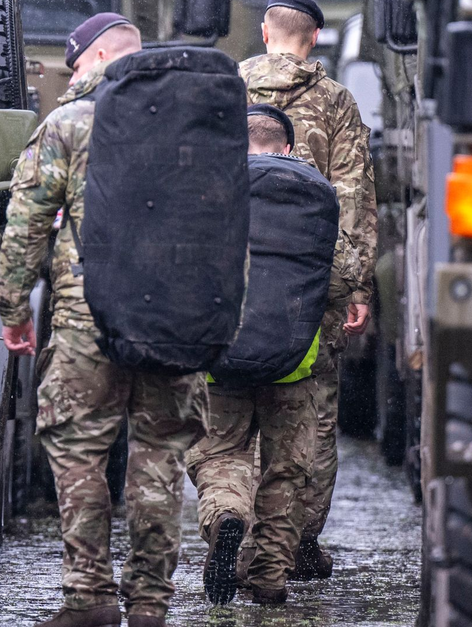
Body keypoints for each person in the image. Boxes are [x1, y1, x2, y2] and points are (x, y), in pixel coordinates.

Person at [0, 13, 203, 627]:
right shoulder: (190, 127)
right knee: (160, 454)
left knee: (80, 450)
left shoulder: (67, 123)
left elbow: (26, 225)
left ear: (91, 57)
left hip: (88, 318)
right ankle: (149, 605)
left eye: (74, 62)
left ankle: (88, 598)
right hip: (172, 316)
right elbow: (221, 229)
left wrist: (13, 310)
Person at [238, 0, 378, 580]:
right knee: (313, 416)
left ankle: (237, 527)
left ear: (266, 32)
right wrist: (353, 286)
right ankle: (294, 542)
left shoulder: (226, 89)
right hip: (309, 285)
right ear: (314, 37)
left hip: (233, 282)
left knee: (231, 407)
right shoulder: (337, 102)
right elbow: (354, 198)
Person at [187, 105, 333, 606]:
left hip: (216, 356)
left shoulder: (206, 186)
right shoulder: (315, 192)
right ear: (288, 147)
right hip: (294, 360)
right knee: (286, 469)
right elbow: (340, 273)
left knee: (218, 453)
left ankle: (226, 514)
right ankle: (268, 577)